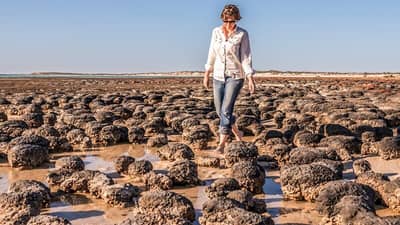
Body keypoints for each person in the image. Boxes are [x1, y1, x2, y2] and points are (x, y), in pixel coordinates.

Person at [203, 4, 256, 153]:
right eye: (226, 21)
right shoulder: (215, 32)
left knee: (226, 109)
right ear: (222, 19)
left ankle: (221, 143)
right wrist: (207, 73)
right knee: (220, 110)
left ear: (237, 19)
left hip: (236, 76)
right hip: (218, 75)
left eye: (232, 21)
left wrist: (250, 77)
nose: (228, 24)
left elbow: (246, 57)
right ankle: (237, 133)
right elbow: (211, 53)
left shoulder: (242, 34)